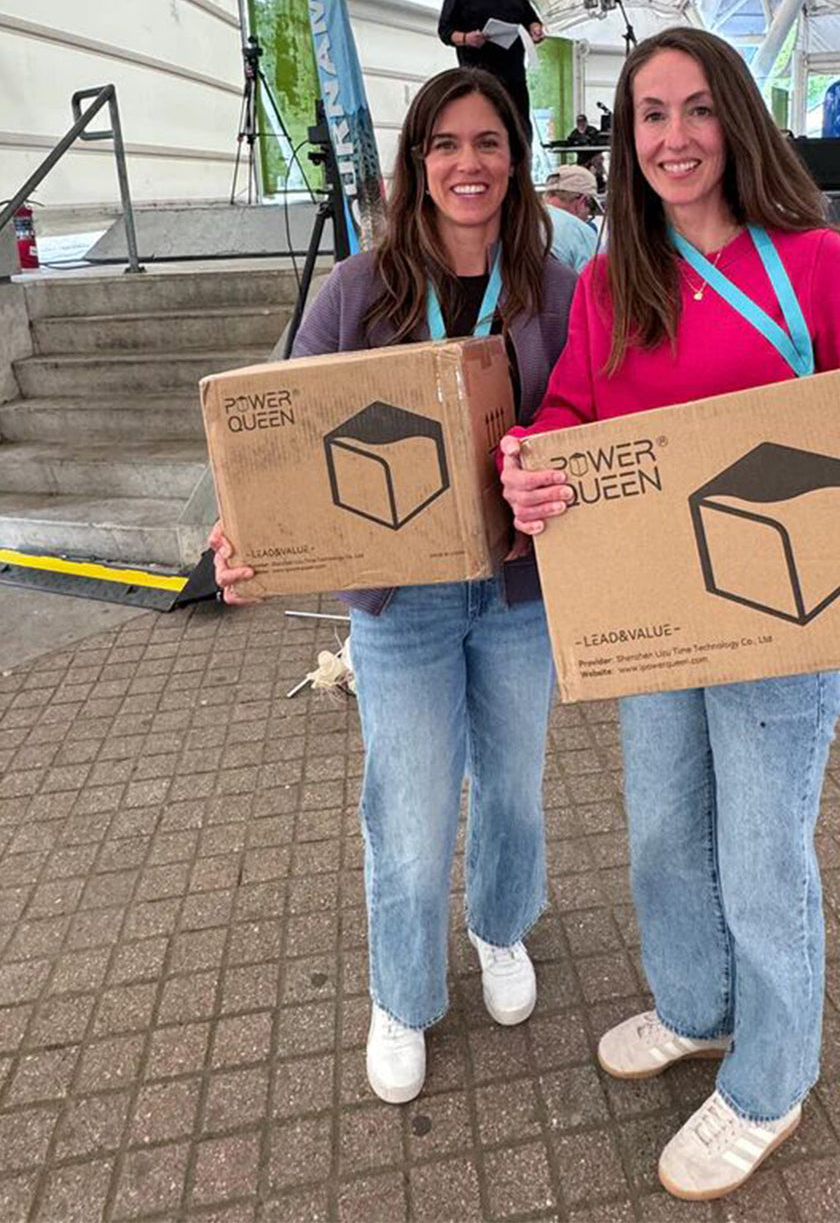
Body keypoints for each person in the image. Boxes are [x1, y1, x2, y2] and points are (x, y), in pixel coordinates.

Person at [499, 27, 840, 1200]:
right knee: (665, 832)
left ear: (737, 122)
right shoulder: (617, 280)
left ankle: (771, 1079)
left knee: (765, 856)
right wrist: (532, 461)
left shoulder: (812, 265)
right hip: (662, 612)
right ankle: (698, 1005)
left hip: (789, 612)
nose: (673, 137)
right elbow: (572, 410)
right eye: (650, 115)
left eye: (697, 109)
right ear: (628, 138)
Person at [211, 67, 576, 1107]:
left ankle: (499, 926)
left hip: (519, 594)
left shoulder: (556, 288)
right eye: (445, 144)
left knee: (512, 791)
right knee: (409, 814)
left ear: (516, 160)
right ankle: (403, 994)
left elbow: (590, 416)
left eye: (489, 142)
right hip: (399, 603)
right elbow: (278, 443)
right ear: (416, 163)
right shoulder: (355, 292)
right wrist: (242, 535)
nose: (469, 163)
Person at [438, 0, 546, 138]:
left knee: (520, 130)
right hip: (478, 76)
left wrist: (535, 28)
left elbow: (530, 17)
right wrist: (466, 38)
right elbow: (444, 31)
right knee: (486, 129)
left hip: (513, 76)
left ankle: (522, 159)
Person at [542, 164, 601, 272]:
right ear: (584, 200)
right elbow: (591, 279)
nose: (589, 214)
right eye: (592, 207)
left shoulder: (522, 220)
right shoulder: (581, 232)